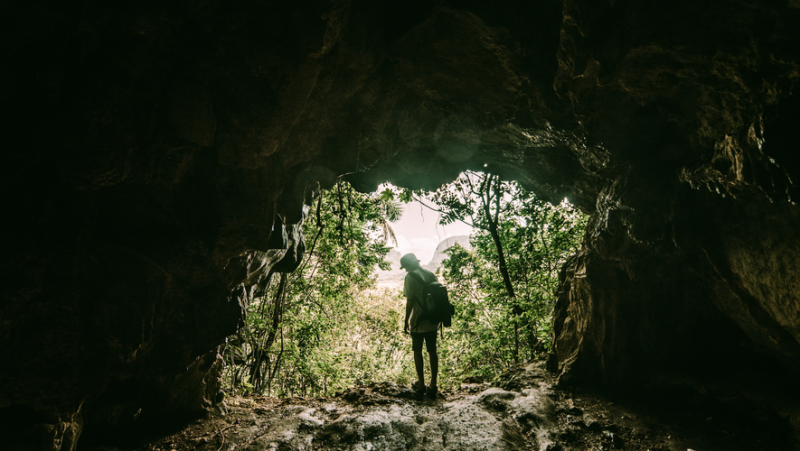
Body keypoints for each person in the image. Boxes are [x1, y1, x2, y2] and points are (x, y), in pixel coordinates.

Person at [400, 253, 440, 399]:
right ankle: (433, 384)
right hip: (433, 320)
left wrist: (406, 321)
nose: (405, 270)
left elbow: (410, 302)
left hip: (417, 321)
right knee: (432, 351)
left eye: (405, 267)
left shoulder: (410, 278)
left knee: (417, 351)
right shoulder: (431, 275)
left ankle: (421, 384)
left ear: (410, 265)